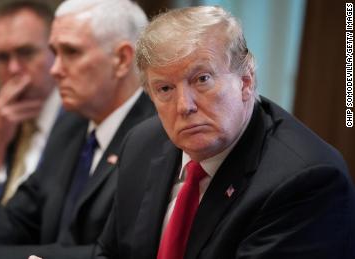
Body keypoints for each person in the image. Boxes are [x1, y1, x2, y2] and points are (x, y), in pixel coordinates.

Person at [93, 6, 355, 259]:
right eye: (165, 89)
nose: (184, 106)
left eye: (202, 79)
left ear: (246, 82)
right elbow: (110, 252)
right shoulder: (142, 143)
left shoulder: (305, 181)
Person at [0, 0, 154, 258]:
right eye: (55, 53)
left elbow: (111, 254)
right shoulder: (71, 123)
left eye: (71, 52)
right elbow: (20, 216)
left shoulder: (156, 137)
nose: (55, 69)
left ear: (122, 59)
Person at [0, 0, 61, 222]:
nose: (13, 68)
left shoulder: (78, 116)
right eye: (2, 58)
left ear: (56, 52)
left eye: (26, 53)